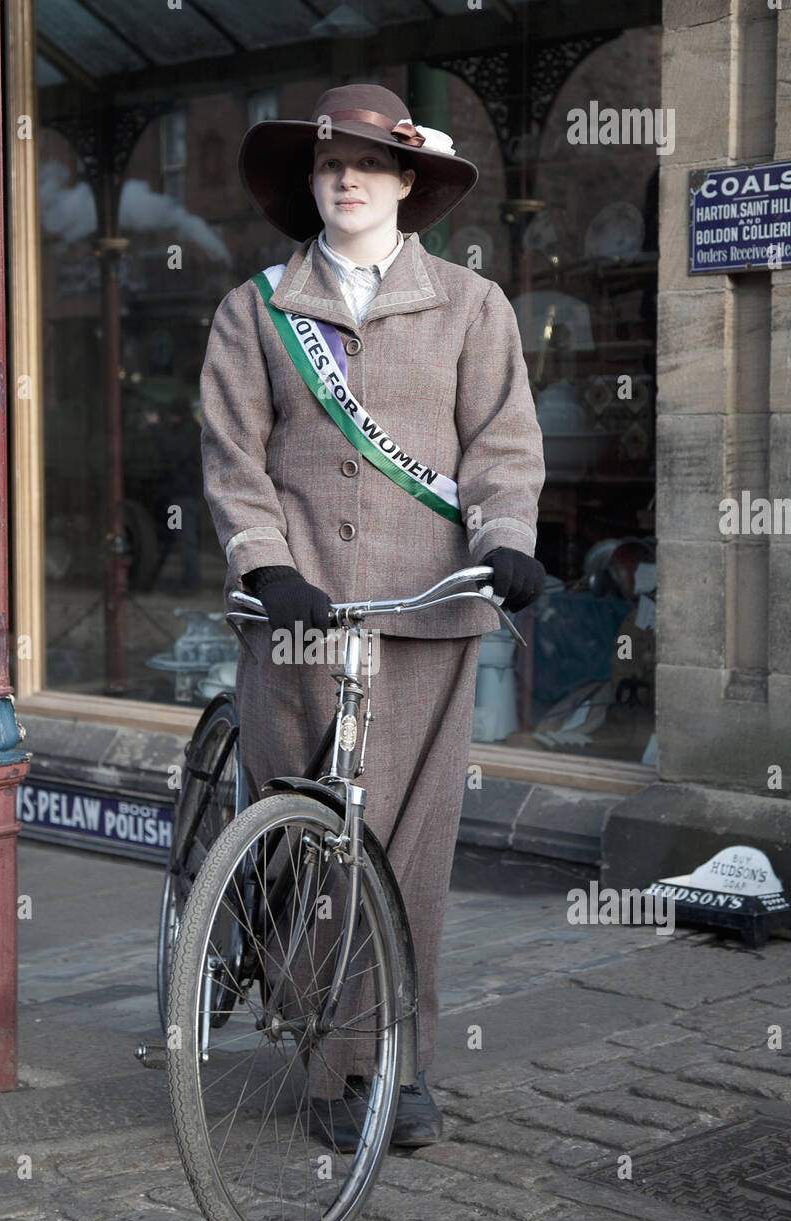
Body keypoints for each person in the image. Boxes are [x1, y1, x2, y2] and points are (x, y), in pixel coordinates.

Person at [199, 84, 546, 1148]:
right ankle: (328, 1062)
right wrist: (265, 565)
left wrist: (507, 544)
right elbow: (233, 459)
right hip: (299, 616)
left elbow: (501, 446)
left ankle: (400, 1061)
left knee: (408, 850)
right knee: (312, 843)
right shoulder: (255, 309)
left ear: (407, 182)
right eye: (325, 163)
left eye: (365, 162)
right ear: (311, 185)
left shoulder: (471, 307)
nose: (344, 177)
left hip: (424, 615)